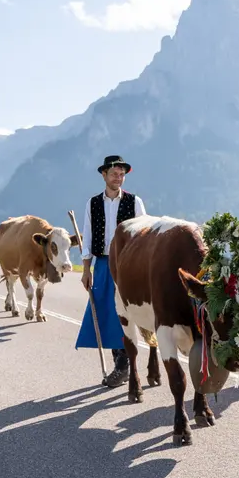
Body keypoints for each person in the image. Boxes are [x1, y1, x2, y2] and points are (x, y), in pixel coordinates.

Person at [76, 154, 147, 387]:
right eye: (114, 173)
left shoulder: (134, 202)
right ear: (104, 175)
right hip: (104, 263)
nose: (118, 177)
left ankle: (123, 366)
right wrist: (86, 270)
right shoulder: (92, 203)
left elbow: (143, 235)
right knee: (106, 311)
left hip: (127, 265)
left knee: (124, 313)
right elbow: (87, 238)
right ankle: (119, 361)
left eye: (122, 174)